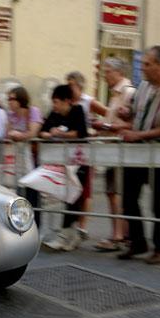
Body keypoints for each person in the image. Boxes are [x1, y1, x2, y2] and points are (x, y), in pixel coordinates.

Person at [117, 45, 160, 265]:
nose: (142, 68)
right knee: (129, 197)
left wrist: (140, 134)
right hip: (137, 152)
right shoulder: (142, 87)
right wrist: (127, 115)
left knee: (159, 200)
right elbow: (134, 114)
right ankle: (138, 241)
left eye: (147, 64)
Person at [92, 57, 135, 252]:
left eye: (108, 71)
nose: (105, 75)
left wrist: (107, 125)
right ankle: (122, 234)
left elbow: (134, 124)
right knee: (113, 193)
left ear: (119, 72)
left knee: (116, 193)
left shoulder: (128, 93)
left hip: (120, 151)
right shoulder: (116, 94)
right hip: (111, 150)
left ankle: (118, 236)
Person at [39, 85, 89, 251]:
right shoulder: (54, 114)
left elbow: (80, 133)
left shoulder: (78, 110)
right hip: (61, 163)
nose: (55, 106)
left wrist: (59, 134)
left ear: (67, 101)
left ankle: (67, 236)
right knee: (66, 198)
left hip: (79, 161)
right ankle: (68, 236)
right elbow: (42, 131)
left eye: (57, 102)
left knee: (73, 198)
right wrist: (49, 133)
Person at [65, 71, 108, 239]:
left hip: (85, 149)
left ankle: (83, 226)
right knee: (71, 185)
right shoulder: (67, 102)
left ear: (79, 86)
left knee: (86, 190)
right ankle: (71, 223)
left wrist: (97, 129)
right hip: (69, 149)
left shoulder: (88, 101)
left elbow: (108, 114)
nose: (68, 88)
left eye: (71, 85)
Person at [6, 86, 43, 227]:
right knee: (18, 192)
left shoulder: (33, 111)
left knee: (32, 192)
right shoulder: (11, 115)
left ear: (21, 99)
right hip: (18, 159)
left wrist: (19, 135)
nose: (9, 102)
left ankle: (35, 224)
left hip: (32, 157)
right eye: (8, 99)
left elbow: (33, 132)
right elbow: (7, 132)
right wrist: (14, 134)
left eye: (12, 98)